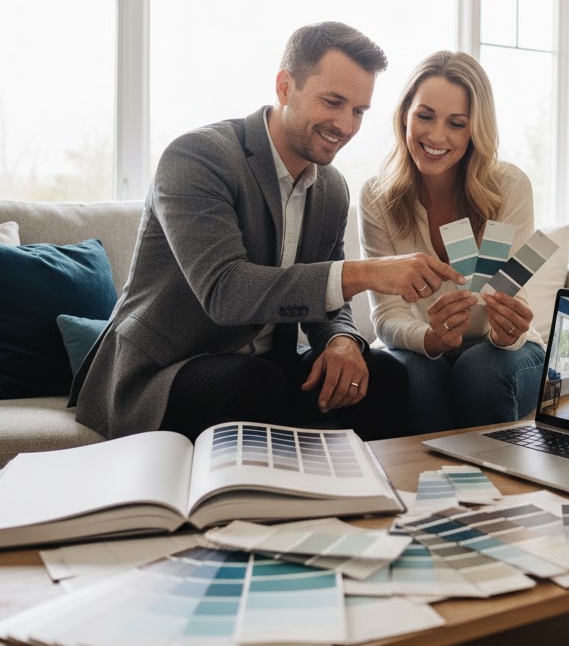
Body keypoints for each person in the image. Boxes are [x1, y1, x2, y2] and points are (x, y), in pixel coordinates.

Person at [70, 22, 463, 443]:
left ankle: (359, 502)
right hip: (164, 370)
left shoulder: (330, 188)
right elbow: (226, 291)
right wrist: (368, 273)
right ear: (284, 86)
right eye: (333, 102)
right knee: (254, 383)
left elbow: (328, 303)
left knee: (381, 374)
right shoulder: (198, 157)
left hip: (262, 371)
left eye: (358, 111)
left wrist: (343, 342)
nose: (345, 125)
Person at [359, 50, 547, 434]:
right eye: (425, 116)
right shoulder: (377, 197)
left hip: (503, 353)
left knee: (477, 368)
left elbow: (511, 297)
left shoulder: (508, 187)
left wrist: (505, 330)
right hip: (421, 348)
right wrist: (431, 338)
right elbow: (387, 317)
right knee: (415, 373)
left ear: (475, 130)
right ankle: (430, 483)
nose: (437, 136)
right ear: (404, 115)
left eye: (457, 124)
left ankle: (491, 482)